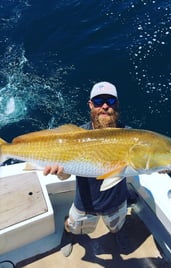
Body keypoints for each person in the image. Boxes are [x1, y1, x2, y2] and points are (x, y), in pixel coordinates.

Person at [44, 81, 130, 256]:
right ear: (91, 105)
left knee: (117, 226)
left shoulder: (129, 134)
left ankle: (117, 234)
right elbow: (66, 172)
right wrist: (60, 173)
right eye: (99, 102)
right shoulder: (76, 135)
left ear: (117, 104)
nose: (105, 106)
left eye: (110, 101)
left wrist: (162, 166)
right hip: (84, 203)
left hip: (117, 201)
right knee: (74, 227)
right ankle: (67, 234)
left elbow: (145, 160)